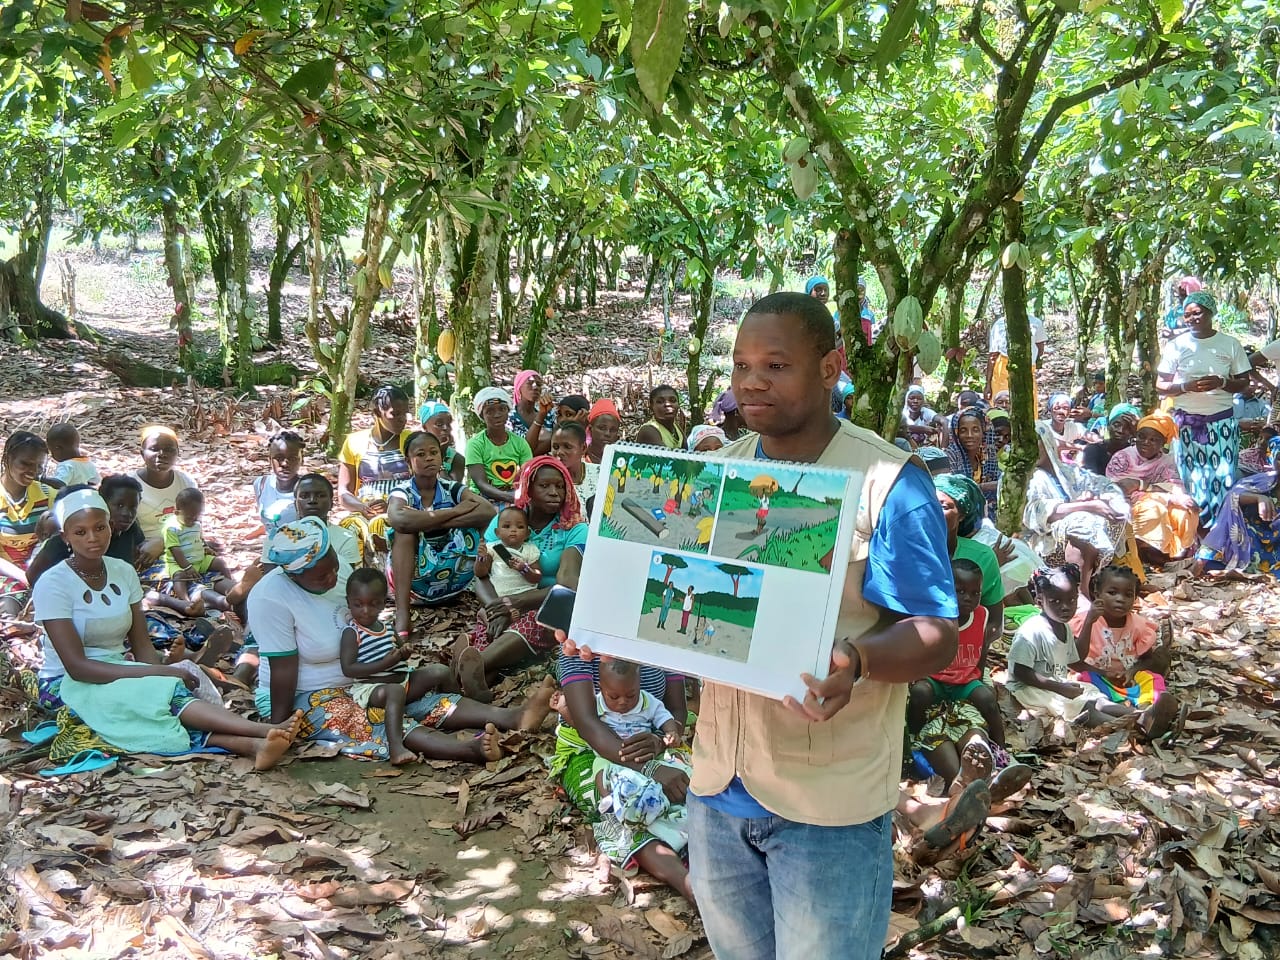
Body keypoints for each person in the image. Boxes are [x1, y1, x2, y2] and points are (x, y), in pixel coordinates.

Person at [566, 292, 959, 958]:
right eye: (742, 365)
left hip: (827, 808)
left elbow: (936, 631)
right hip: (717, 789)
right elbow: (676, 604)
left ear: (831, 366)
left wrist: (858, 660)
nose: (751, 382)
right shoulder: (719, 473)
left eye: (775, 365)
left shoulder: (886, 482)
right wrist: (600, 627)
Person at [33, 488, 304, 768]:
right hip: (65, 683)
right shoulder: (53, 583)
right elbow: (77, 667)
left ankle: (255, 746)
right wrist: (161, 673)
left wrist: (161, 675)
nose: (92, 537)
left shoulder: (122, 571)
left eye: (100, 528)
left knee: (163, 693)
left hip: (117, 668)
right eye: (80, 532)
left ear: (110, 526)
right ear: (65, 537)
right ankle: (262, 732)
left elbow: (142, 646)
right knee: (156, 695)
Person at [250, 517, 552, 761]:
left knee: (422, 698)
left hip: (365, 680)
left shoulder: (337, 571)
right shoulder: (271, 598)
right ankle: (467, 750)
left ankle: (512, 717)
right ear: (294, 575)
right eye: (320, 577)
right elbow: (282, 670)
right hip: (306, 694)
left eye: (333, 567)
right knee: (379, 719)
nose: (332, 577)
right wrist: (280, 727)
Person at [339, 568, 493, 765]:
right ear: (348, 602)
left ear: (384, 603)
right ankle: (396, 748)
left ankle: (457, 711)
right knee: (394, 692)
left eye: (374, 604)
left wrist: (405, 651)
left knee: (440, 671)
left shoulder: (387, 627)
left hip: (404, 682)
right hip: (372, 689)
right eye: (358, 604)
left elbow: (401, 651)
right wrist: (386, 663)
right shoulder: (352, 633)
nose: (366, 610)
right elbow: (349, 669)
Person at [1007, 565, 1179, 736]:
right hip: (1029, 689)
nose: (1065, 607)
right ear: (1039, 601)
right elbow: (1020, 672)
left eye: (1071, 601)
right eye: (1056, 601)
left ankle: (1143, 717)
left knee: (1095, 697)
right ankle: (1137, 727)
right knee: (1084, 707)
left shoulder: (1063, 627)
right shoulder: (1031, 632)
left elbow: (1076, 660)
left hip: (1056, 683)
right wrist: (1059, 687)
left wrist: (1104, 672)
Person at [473, 457, 586, 681]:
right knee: (490, 629)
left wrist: (518, 604)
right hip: (504, 602)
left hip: (549, 604)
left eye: (560, 486)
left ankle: (472, 668)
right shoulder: (506, 521)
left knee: (536, 620)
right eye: (544, 486)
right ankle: (480, 675)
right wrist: (498, 608)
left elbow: (568, 584)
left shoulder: (574, 528)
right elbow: (482, 574)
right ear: (528, 489)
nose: (554, 492)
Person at [1156, 290, 1253, 528]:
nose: (1192, 318)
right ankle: (1193, 531)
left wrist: (1221, 383)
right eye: (1187, 314)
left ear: (1210, 313)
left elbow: (1244, 383)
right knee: (1189, 477)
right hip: (1186, 424)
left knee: (1223, 477)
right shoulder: (1177, 346)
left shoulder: (1230, 344)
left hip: (1221, 424)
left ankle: (1221, 531)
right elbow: (1160, 385)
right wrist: (1185, 386)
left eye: (1197, 313)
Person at [907, 558, 1003, 786]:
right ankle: (913, 737)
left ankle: (1001, 750)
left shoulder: (981, 616)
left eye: (975, 593)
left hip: (964, 681)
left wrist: (978, 678)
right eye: (960, 591)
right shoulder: (934, 615)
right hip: (935, 679)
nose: (967, 598)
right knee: (920, 693)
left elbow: (981, 651)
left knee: (987, 699)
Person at [387, 432, 494, 637]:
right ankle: (403, 613)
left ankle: (488, 592)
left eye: (434, 452)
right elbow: (398, 519)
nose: (429, 458)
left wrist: (427, 522)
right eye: (421, 454)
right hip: (416, 582)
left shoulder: (452, 489)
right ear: (408, 461)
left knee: (480, 525)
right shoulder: (403, 491)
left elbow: (487, 511)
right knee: (404, 533)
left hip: (455, 577)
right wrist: (455, 511)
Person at [1024, 422, 1136, 599]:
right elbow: (1038, 512)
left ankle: (1093, 582)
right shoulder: (1024, 478)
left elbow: (1103, 485)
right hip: (1043, 542)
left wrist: (1096, 498)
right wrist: (1086, 506)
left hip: (1073, 533)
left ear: (1046, 442)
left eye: (1034, 442)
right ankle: (1079, 592)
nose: (1029, 449)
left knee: (1114, 510)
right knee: (1083, 521)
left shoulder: (1067, 471)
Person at [933, 474, 1004, 684]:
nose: (934, 512)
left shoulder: (983, 557)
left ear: (962, 514)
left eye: (944, 507)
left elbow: (994, 621)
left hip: (967, 662)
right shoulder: (910, 553)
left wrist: (969, 657)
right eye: (929, 504)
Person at [1069, 565, 1169, 709]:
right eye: (1112, 592)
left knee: (1153, 678)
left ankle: (1146, 707)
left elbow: (1146, 658)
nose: (1120, 599)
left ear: (1135, 598)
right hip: (1098, 678)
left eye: (1128, 595)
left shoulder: (1139, 626)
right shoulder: (1084, 621)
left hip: (1127, 681)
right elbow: (1074, 662)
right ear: (1097, 594)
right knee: (1083, 678)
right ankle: (1119, 709)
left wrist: (1132, 672)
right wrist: (1089, 623)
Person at [1105, 412, 1199, 564]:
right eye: (1141, 437)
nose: (1146, 442)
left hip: (1158, 500)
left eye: (1153, 440)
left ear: (1163, 443)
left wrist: (1141, 485)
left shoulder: (1166, 462)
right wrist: (1161, 495)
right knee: (1153, 507)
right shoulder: (1123, 458)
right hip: (1127, 505)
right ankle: (1144, 551)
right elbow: (1119, 489)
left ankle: (1175, 554)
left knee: (1185, 508)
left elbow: (1174, 488)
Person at [27, 475, 145, 588]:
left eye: (133, 507)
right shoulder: (67, 539)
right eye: (119, 505)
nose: (126, 513)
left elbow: (139, 551)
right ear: (101, 503)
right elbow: (32, 576)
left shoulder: (130, 529)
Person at [1195, 436, 1280, 577]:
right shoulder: (1261, 481)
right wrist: (1259, 498)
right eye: (1279, 458)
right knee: (1238, 522)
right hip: (1254, 541)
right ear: (1272, 460)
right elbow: (1233, 496)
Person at [336, 385, 413, 530]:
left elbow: (424, 485)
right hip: (366, 510)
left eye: (405, 414)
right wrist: (363, 507)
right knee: (352, 529)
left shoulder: (412, 440)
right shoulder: (354, 442)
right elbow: (344, 491)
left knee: (383, 527)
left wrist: (393, 505)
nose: (403, 419)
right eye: (395, 414)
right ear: (377, 413)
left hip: (403, 509)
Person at [0, 431, 56, 620]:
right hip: (7, 573)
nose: (33, 471)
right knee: (9, 608)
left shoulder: (47, 495)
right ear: (7, 459)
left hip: (39, 570)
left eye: (39, 466)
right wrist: (26, 577)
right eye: (25, 463)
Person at [132, 425, 200, 580]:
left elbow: (193, 523)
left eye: (169, 449)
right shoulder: (129, 485)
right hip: (145, 553)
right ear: (142, 453)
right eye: (154, 449)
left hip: (183, 547)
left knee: (216, 574)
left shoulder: (186, 483)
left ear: (177, 453)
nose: (162, 454)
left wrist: (163, 542)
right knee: (175, 580)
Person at [472, 506, 543, 643]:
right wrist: (481, 558)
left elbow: (537, 577)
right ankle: (481, 638)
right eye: (506, 526)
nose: (513, 530)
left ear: (527, 533)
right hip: (500, 596)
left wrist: (524, 569)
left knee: (530, 615)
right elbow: (480, 573)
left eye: (520, 527)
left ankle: (509, 624)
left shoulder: (530, 550)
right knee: (490, 617)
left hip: (524, 595)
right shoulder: (494, 548)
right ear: (497, 533)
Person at [162, 487, 234, 610]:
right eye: (189, 517)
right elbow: (175, 550)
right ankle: (185, 601)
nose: (193, 520)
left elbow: (199, 539)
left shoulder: (196, 524)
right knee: (179, 577)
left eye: (197, 516)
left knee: (220, 563)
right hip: (179, 563)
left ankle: (231, 585)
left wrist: (206, 547)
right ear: (177, 512)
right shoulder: (172, 528)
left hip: (199, 560)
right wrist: (187, 567)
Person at [465, 387, 533, 504]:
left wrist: (517, 495)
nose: (497, 415)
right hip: (483, 498)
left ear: (508, 411)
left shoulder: (520, 443)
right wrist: (509, 497)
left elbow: (528, 475)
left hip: (513, 493)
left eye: (502, 409)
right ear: (482, 416)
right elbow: (481, 483)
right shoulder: (475, 444)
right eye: (489, 411)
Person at [946, 406, 1000, 518]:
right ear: (956, 433)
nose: (969, 435)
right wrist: (983, 487)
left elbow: (997, 481)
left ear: (983, 431)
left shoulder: (986, 455)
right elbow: (953, 491)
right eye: (963, 430)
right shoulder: (950, 456)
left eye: (975, 430)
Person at [986, 312, 1047, 403]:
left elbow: (1040, 347)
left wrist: (1037, 365)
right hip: (1003, 370)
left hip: (1027, 369)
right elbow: (993, 355)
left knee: (1026, 403)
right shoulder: (999, 324)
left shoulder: (1036, 323)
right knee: (1001, 403)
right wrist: (988, 384)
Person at [253, 430, 305, 537]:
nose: (285, 464)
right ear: (270, 460)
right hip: (271, 546)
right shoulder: (262, 485)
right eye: (279, 458)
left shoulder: (309, 489)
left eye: (292, 458)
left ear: (301, 460)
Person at [1080, 404, 1140, 476]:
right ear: (1108, 425)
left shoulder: (1136, 454)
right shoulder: (1093, 450)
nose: (1121, 430)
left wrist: (1139, 434)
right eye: (1116, 425)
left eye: (1128, 427)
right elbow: (1091, 479)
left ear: (1133, 432)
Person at [550, 421, 598, 507]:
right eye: (555, 447)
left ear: (583, 448)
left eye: (567, 447)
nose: (560, 452)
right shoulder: (546, 478)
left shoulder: (600, 474)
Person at [417, 400, 466, 482]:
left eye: (449, 424)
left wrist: (440, 455)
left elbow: (451, 487)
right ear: (425, 428)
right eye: (439, 424)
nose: (446, 428)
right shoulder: (416, 454)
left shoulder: (456, 458)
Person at [508, 369, 554, 455]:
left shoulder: (548, 413)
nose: (535, 387)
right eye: (529, 383)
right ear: (519, 388)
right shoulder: (509, 418)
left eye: (539, 384)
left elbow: (558, 440)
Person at [45, 423, 100, 489]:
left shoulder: (66, 465)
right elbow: (95, 481)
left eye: (52, 451)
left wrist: (42, 479)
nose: (52, 455)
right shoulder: (88, 463)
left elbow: (59, 484)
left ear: (58, 448)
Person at [633, 385, 687, 450]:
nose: (668, 404)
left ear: (678, 405)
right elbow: (667, 455)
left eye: (672, 400)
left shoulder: (676, 427)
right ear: (651, 407)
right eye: (660, 402)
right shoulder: (648, 430)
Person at [1042, 393, 1087, 464]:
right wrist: (1080, 447)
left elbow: (1091, 436)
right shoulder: (1042, 427)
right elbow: (1054, 443)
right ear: (1050, 410)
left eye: (1065, 408)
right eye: (1057, 408)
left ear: (1070, 412)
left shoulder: (1074, 426)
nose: (1061, 412)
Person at [585, 398, 623, 464]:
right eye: (602, 428)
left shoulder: (621, 461)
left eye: (613, 430)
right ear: (590, 429)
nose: (607, 433)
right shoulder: (578, 457)